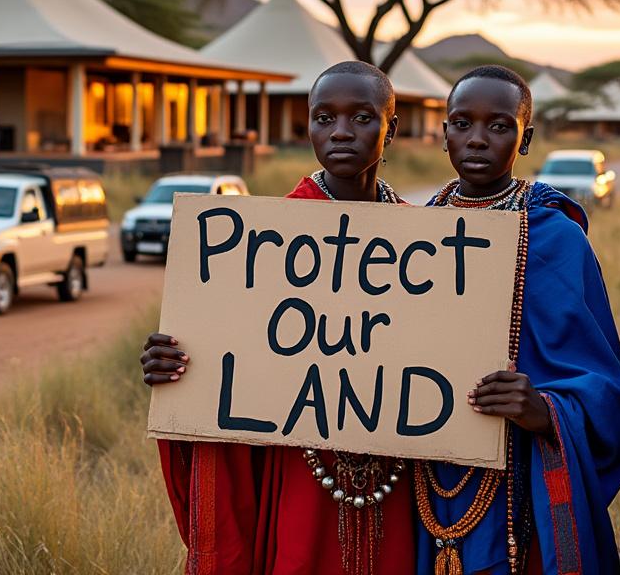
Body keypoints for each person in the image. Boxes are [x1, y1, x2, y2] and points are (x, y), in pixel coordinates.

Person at [140, 61, 416, 574]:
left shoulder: (425, 248)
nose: (339, 131)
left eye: (361, 117)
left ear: (391, 128)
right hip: (295, 478)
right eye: (323, 117)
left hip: (398, 487)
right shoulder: (260, 239)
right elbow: (227, 357)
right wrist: (176, 366)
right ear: (306, 126)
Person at [416, 65, 620, 575]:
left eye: (499, 126)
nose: (477, 139)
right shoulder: (410, 236)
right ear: (443, 132)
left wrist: (545, 410)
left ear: (526, 137)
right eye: (461, 123)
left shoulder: (556, 238)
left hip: (519, 486)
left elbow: (607, 391)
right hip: (423, 474)